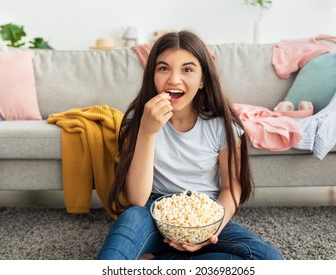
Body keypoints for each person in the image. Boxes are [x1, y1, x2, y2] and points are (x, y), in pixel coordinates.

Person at [96, 30, 283, 260]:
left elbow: (231, 188)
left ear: (202, 79)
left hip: (205, 215)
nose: (174, 79)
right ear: (152, 75)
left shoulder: (221, 124)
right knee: (129, 223)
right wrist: (147, 131)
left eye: (187, 69)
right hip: (152, 213)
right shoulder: (140, 120)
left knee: (270, 260)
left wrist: (210, 228)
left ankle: (160, 261)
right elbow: (138, 198)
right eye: (163, 68)